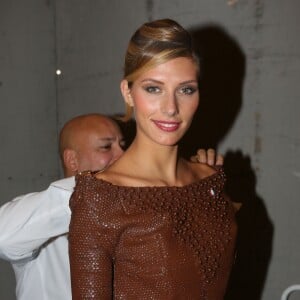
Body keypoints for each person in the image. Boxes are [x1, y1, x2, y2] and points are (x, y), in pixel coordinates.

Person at [68, 19, 238, 299]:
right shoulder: (101, 197)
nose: (171, 108)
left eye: (186, 89)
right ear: (128, 92)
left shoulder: (211, 179)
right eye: (153, 88)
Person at [0, 113, 221, 300]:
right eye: (106, 147)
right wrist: (100, 187)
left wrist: (196, 185)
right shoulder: (47, 213)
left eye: (123, 145)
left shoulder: (137, 210)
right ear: (72, 160)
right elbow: (4, 236)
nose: (122, 155)